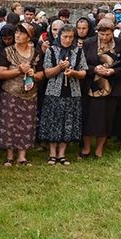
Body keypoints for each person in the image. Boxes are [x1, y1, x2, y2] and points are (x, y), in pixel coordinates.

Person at [0, 23, 44, 166]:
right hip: (11, 92)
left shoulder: (36, 53)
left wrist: (33, 74)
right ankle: (9, 155)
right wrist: (19, 70)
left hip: (30, 92)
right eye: (17, 32)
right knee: (9, 123)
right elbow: (1, 73)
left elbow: (42, 73)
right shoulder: (7, 51)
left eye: (22, 33)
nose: (17, 35)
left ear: (29, 37)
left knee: (27, 123)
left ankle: (22, 155)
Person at [80, 19, 121, 158]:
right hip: (91, 86)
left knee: (106, 119)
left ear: (113, 32)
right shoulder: (88, 43)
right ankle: (86, 147)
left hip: (111, 87)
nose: (104, 37)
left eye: (107, 34)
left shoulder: (120, 44)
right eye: (101, 34)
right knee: (88, 118)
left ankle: (99, 148)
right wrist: (94, 69)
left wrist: (113, 72)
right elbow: (81, 63)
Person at [38, 24, 87, 164]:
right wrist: (59, 67)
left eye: (71, 37)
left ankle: (62, 153)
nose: (68, 40)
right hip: (54, 92)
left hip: (73, 93)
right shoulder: (51, 51)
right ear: (59, 36)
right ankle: (52, 153)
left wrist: (73, 73)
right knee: (54, 121)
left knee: (68, 122)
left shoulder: (78, 51)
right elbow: (47, 73)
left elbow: (84, 72)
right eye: (65, 37)